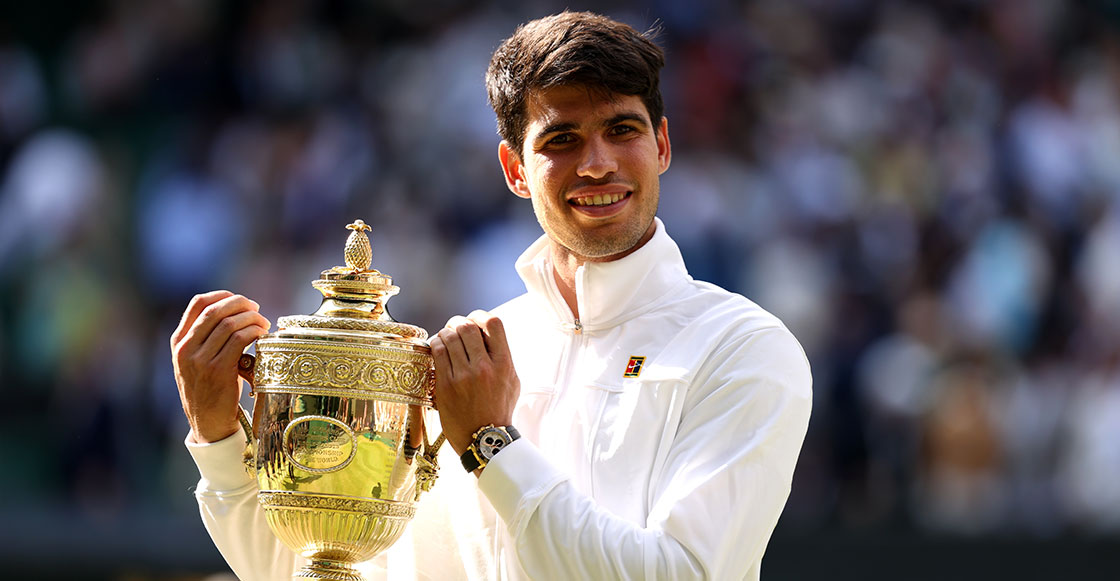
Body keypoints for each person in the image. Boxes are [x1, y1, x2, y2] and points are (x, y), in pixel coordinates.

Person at [172, 11, 812, 580]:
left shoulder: (743, 347)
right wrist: (219, 436)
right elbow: (322, 567)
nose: (597, 163)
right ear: (514, 169)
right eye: (561, 139)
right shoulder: (463, 362)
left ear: (662, 145)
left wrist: (488, 444)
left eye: (622, 129)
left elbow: (682, 575)